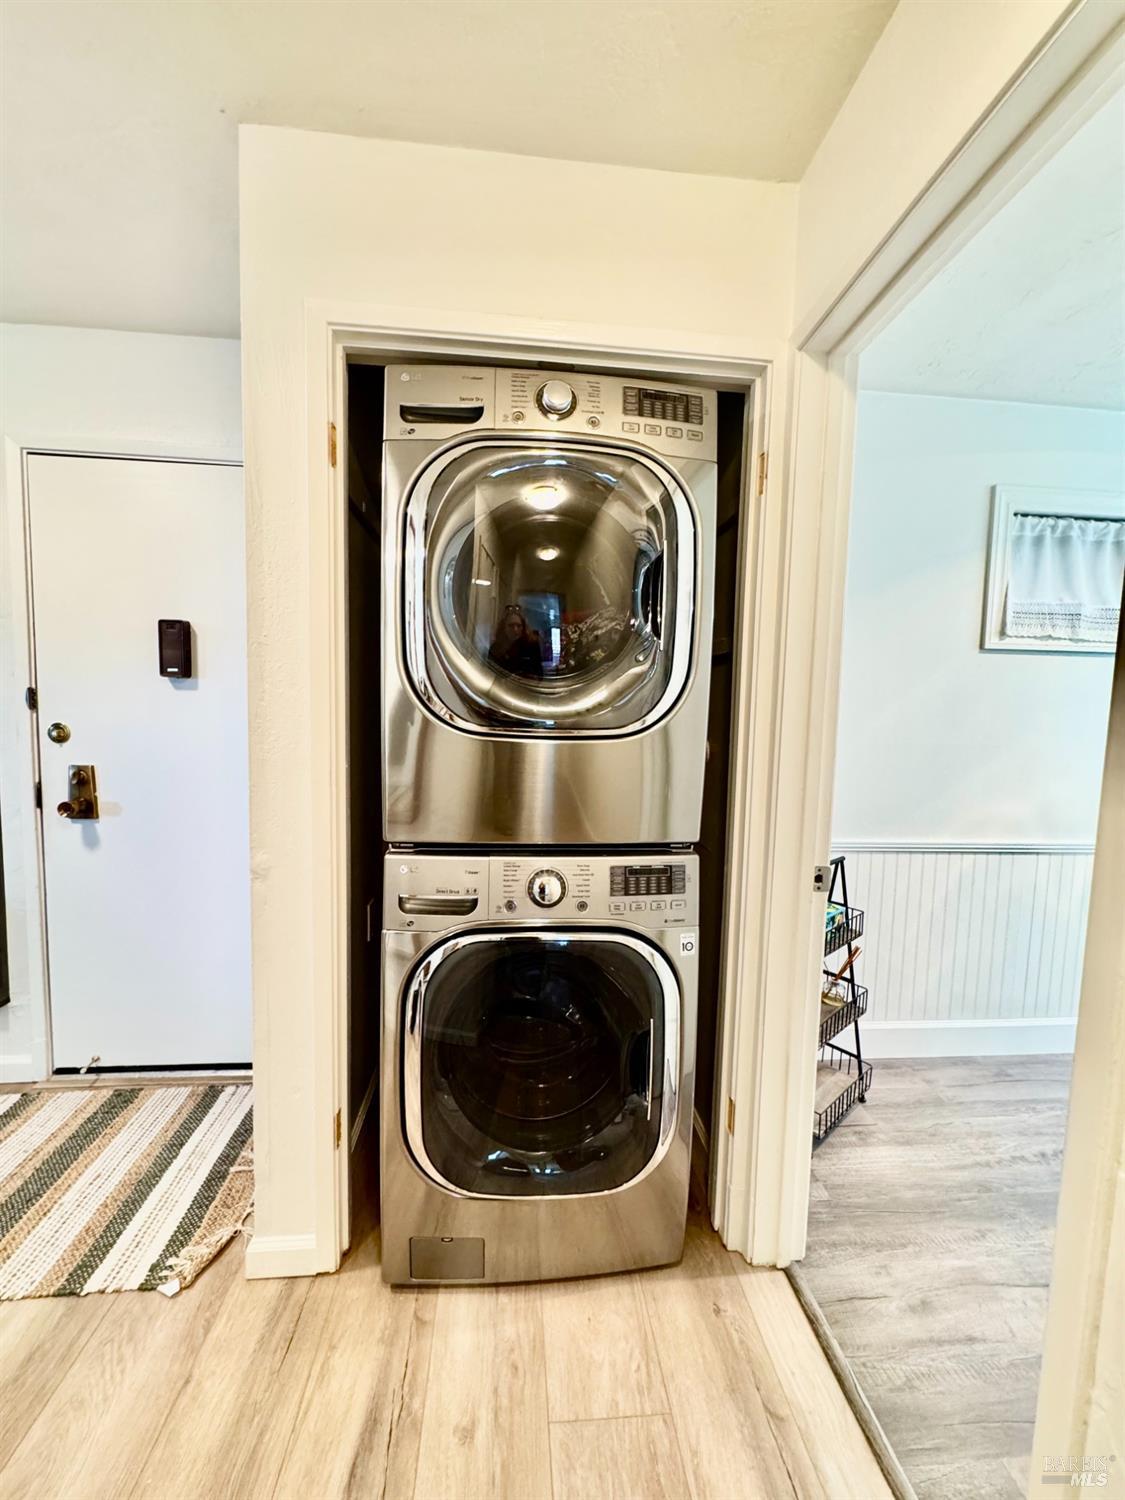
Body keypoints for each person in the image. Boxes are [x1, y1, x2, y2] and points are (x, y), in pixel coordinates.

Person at [488, 605, 543, 678]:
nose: (515, 630)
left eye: (519, 626)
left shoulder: (532, 646)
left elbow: (539, 674)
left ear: (523, 628)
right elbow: (490, 674)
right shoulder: (496, 648)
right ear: (504, 627)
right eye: (511, 625)